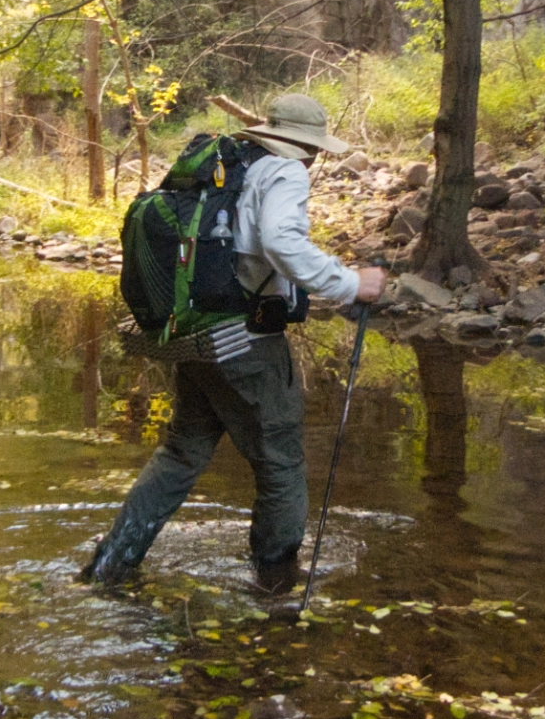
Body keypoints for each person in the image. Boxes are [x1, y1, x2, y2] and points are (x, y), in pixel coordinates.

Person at [81, 94, 385, 593]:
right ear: (303, 144)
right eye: (316, 149)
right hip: (247, 340)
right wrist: (352, 284)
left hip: (196, 337)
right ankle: (276, 584)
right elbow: (279, 241)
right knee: (281, 459)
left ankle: (111, 565)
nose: (316, 158)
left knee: (182, 453)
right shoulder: (286, 171)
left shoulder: (229, 162)